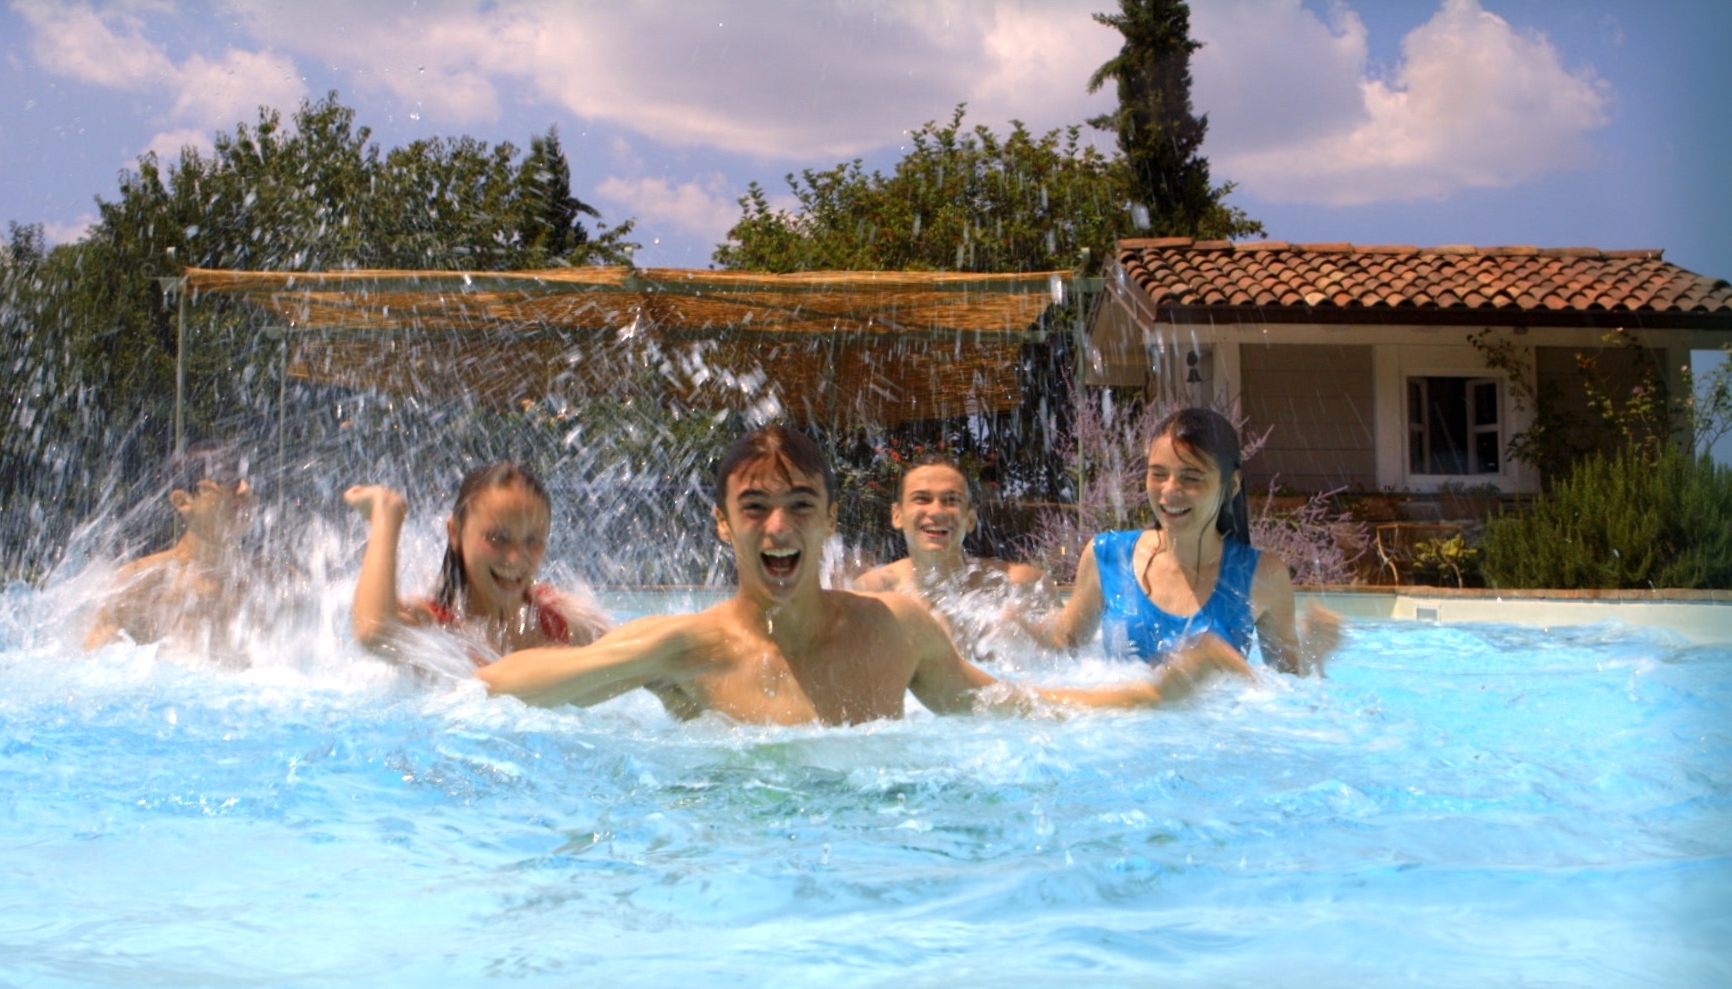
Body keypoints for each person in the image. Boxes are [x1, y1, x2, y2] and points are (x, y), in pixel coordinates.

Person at [473, 424, 1250, 726]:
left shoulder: (897, 630)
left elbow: (1009, 706)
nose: (778, 528)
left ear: (831, 519)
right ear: (722, 523)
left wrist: (1155, 696)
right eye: (754, 508)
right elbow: (505, 686)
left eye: (799, 506)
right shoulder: (684, 648)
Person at [1035, 407, 1342, 674]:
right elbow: (1062, 651)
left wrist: (1314, 658)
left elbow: (1287, 691)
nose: (1169, 490)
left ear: (1231, 485)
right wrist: (1019, 630)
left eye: (1191, 477)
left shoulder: (1263, 576)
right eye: (1158, 474)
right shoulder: (1108, 557)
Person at [344, 462, 605, 662]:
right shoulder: (435, 626)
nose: (515, 558)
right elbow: (374, 632)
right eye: (497, 538)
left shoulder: (563, 619)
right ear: (455, 533)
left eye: (532, 541)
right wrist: (386, 515)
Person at [852, 453, 1054, 656]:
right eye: (921, 499)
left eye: (951, 500)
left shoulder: (1021, 587)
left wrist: (1028, 637)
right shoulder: (872, 593)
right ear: (897, 515)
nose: (937, 511)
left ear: (970, 519)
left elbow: (1064, 656)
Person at [85, 441, 253, 655]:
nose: (245, 489)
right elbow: (92, 661)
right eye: (227, 479)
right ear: (183, 501)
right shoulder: (140, 583)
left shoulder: (270, 582)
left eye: (248, 479)